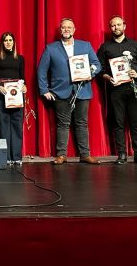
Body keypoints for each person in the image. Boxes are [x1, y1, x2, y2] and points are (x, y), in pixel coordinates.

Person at [37, 18, 101, 164]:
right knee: (63, 124)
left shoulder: (85, 46)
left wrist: (90, 73)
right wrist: (44, 89)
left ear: (74, 30)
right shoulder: (51, 48)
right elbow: (41, 71)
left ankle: (85, 154)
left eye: (69, 27)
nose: (66, 30)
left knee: (82, 123)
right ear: (60, 30)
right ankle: (61, 155)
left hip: (82, 90)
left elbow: (97, 64)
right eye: (63, 27)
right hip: (60, 91)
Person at [97, 15, 137, 164]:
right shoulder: (105, 47)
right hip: (115, 90)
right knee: (118, 122)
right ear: (110, 28)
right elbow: (100, 69)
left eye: (118, 25)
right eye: (113, 25)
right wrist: (107, 77)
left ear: (124, 26)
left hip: (133, 88)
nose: (116, 28)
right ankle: (122, 154)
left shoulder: (136, 45)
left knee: (135, 122)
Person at [0, 32, 26, 165]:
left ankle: (16, 157)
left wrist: (24, 87)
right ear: (2, 43)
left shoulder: (20, 59)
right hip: (1, 95)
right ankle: (6, 157)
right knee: (3, 125)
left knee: (17, 125)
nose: (8, 42)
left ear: (14, 42)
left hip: (16, 95)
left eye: (10, 40)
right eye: (5, 40)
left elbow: (23, 78)